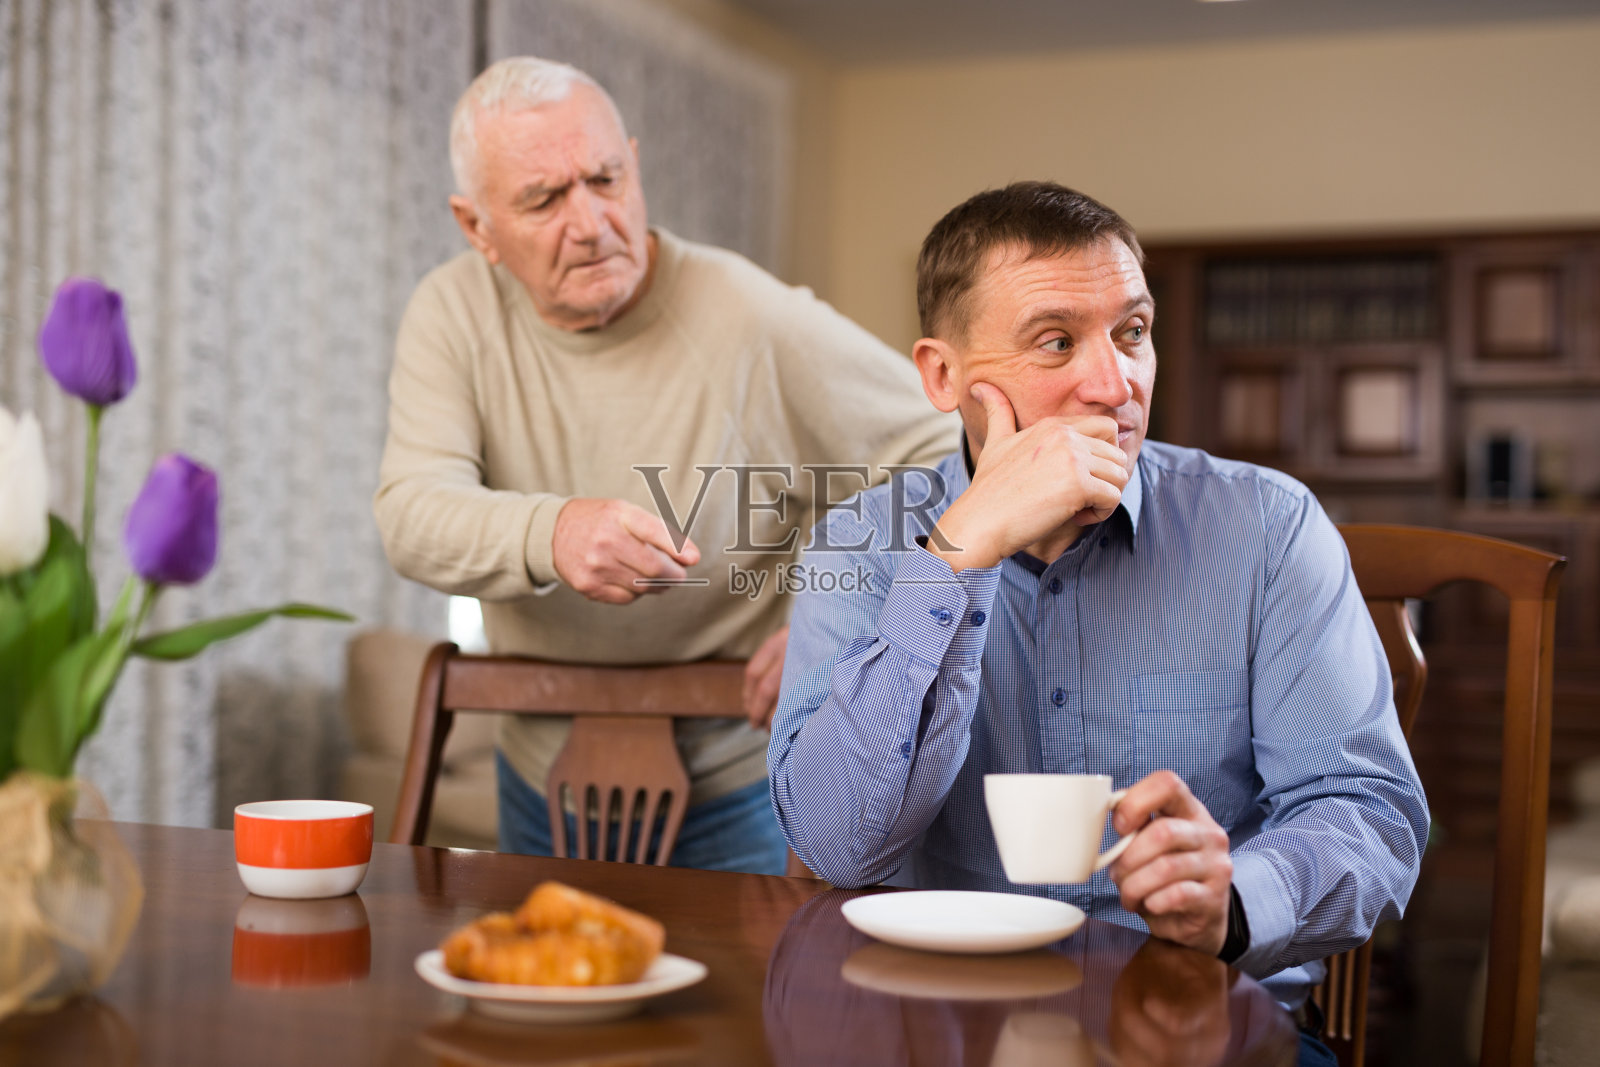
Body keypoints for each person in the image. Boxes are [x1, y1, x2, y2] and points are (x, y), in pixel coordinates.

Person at [768, 181, 1428, 1034]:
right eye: (1056, 342)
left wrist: (1234, 898)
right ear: (942, 373)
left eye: (1133, 333)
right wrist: (959, 558)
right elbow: (837, 843)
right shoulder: (859, 543)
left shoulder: (1269, 528)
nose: (1115, 384)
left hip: (1199, 1030)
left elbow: (1367, 810)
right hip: (936, 1031)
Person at [374, 57, 957, 875]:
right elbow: (410, 513)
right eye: (544, 199)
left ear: (635, 166)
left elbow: (948, 453)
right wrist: (556, 531)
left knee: (748, 1009)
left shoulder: (753, 315)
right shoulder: (451, 311)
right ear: (477, 228)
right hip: (536, 770)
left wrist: (839, 622)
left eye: (606, 179)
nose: (591, 221)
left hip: (744, 780)